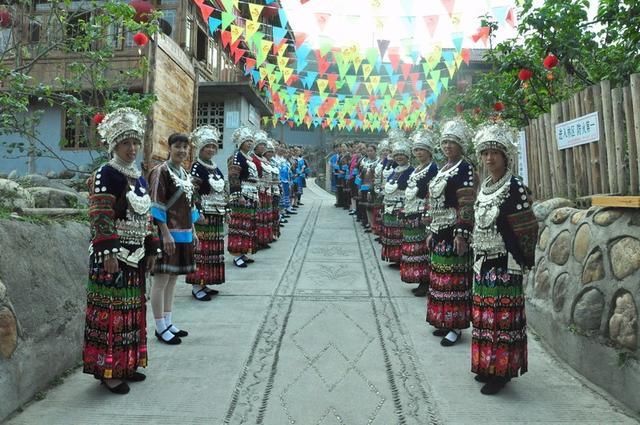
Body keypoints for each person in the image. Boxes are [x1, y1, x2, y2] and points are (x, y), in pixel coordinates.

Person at [84, 107, 159, 394]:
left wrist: (151, 247)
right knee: (111, 314)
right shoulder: (106, 172)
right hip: (113, 258)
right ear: (115, 144)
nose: (132, 148)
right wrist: (109, 252)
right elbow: (100, 214)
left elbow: (146, 216)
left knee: (131, 312)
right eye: (126, 143)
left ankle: (126, 364)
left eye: (135, 142)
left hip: (136, 256)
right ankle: (108, 371)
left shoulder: (138, 175)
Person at [470, 123, 538, 395]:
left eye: (495, 153)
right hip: (483, 261)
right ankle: (487, 365)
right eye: (485, 153)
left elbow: (526, 229)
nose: (489, 158)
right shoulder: (485, 184)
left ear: (506, 155)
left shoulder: (515, 187)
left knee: (502, 320)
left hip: (505, 263)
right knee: (485, 318)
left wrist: (522, 262)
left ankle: (502, 372)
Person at [425, 119, 476, 347]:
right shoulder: (443, 167)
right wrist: (431, 229)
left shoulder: (465, 168)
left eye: (452, 143)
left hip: (453, 231)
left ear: (461, 146)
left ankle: (455, 327)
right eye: (445, 143)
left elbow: (466, 202)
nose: (447, 147)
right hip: (439, 230)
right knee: (441, 280)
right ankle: (445, 321)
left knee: (454, 281)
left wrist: (461, 233)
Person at [149, 133, 199, 345]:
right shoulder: (161, 171)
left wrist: (193, 230)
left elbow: (190, 205)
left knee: (173, 280)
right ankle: (160, 326)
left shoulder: (184, 174)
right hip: (167, 235)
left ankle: (168, 322)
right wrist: (165, 233)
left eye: (185, 147)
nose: (181, 151)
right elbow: (156, 203)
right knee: (161, 280)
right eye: (177, 146)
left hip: (184, 233)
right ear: (169, 148)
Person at [185, 125, 226, 302]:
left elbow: (223, 191)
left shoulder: (216, 168)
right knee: (201, 250)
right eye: (206, 147)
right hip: (203, 215)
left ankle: (205, 282)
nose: (210, 149)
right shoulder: (196, 167)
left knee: (211, 251)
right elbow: (192, 193)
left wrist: (227, 210)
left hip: (216, 213)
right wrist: (198, 212)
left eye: (212, 146)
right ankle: (196, 285)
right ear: (200, 148)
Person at [401, 130, 438, 296]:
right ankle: (419, 279)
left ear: (429, 151)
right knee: (415, 248)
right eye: (416, 150)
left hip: (423, 212)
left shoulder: (434, 169)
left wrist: (427, 211)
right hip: (411, 211)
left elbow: (433, 192)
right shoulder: (416, 169)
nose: (418, 153)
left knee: (423, 249)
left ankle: (425, 281)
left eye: (421, 149)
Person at [227, 126, 259, 268]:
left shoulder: (249, 158)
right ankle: (236, 255)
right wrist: (238, 194)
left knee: (247, 225)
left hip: (251, 193)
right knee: (239, 225)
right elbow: (234, 177)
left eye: (251, 141)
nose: (250, 144)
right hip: (242, 194)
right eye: (247, 141)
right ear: (240, 143)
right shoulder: (236, 157)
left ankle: (243, 251)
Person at [381, 136, 414, 265]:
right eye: (397, 155)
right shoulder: (394, 170)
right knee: (391, 232)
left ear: (408, 156)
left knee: (400, 233)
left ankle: (400, 256)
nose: (399, 157)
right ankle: (393, 257)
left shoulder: (411, 170)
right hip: (389, 206)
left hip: (401, 206)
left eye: (402, 155)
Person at [372, 139, 394, 238]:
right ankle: (379, 233)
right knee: (378, 212)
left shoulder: (392, 162)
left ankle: (383, 234)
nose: (385, 152)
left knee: (384, 212)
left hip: (388, 191)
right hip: (379, 189)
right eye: (384, 150)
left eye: (388, 150)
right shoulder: (380, 162)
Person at [357, 144, 378, 231]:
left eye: (371, 151)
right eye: (368, 151)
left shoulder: (378, 162)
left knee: (373, 207)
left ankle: (374, 225)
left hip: (373, 187)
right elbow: (360, 175)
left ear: (375, 151)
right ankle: (369, 224)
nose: (369, 153)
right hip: (364, 186)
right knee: (366, 206)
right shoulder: (364, 162)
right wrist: (359, 187)